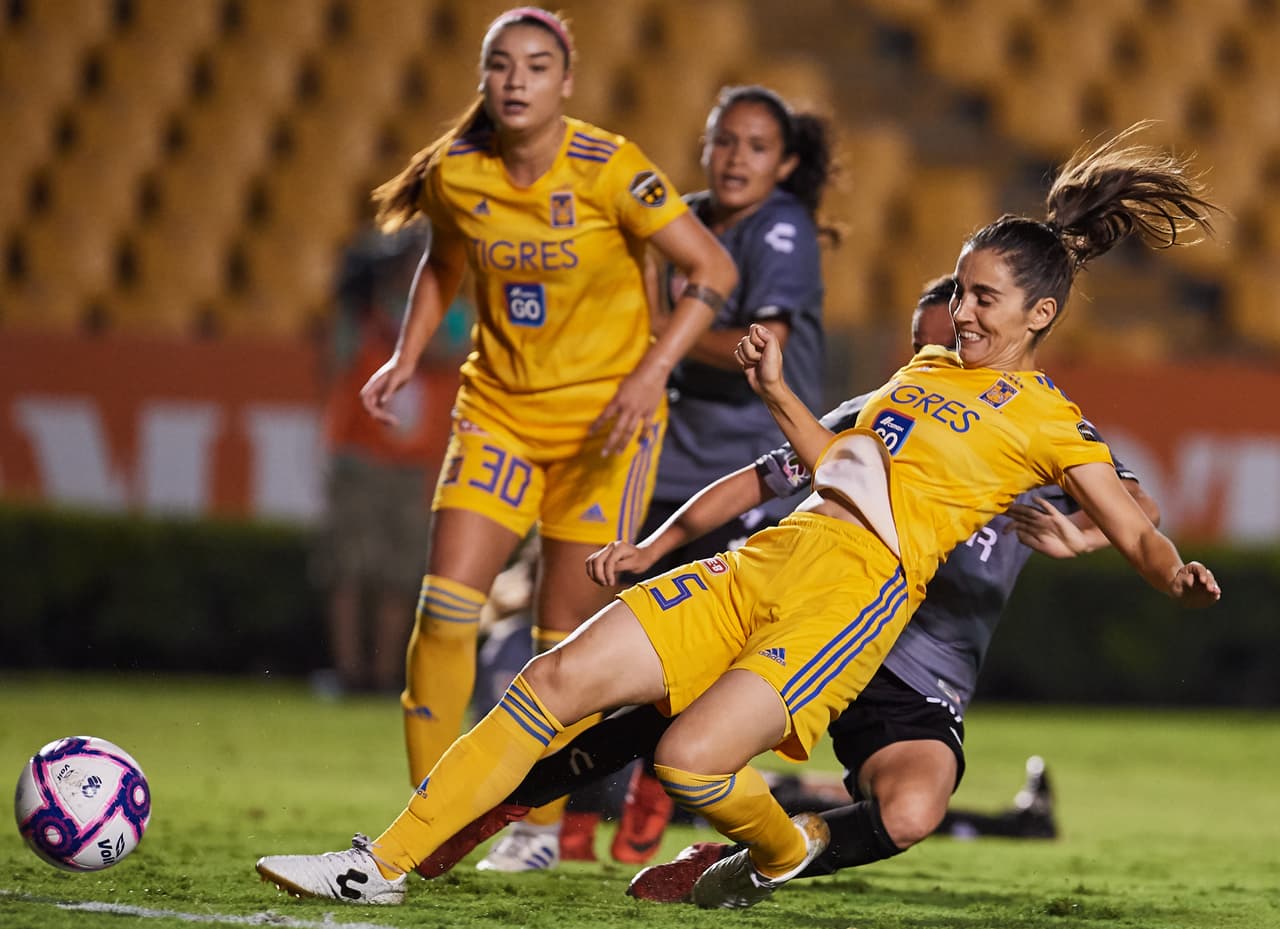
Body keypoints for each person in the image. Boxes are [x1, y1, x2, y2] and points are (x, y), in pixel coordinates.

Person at [255, 124, 1221, 909]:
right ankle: (377, 863)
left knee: (686, 760)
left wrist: (1167, 569)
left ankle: (783, 849)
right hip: (774, 555)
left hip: (851, 599)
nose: (959, 314)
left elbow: (1134, 521)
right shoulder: (922, 373)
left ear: (1039, 315)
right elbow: (834, 465)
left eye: (981, 298)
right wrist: (771, 389)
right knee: (557, 675)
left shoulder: (1051, 421)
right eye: (959, 292)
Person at [406, 276, 1145, 891]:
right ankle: (497, 808)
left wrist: (1078, 532)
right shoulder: (877, 419)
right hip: (821, 615)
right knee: (660, 714)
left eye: (957, 335)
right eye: (933, 340)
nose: (947, 351)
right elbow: (753, 483)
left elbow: (1134, 504)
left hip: (913, 675)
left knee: (914, 809)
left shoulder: (1027, 437)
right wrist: (657, 544)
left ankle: (755, 856)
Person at [359, 5, 737, 856]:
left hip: (607, 427)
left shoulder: (611, 168)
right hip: (497, 411)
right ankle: (434, 819)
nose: (517, 80)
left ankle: (519, 821)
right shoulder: (457, 174)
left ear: (565, 83)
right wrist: (405, 356)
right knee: (448, 611)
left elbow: (712, 267)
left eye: (536, 66)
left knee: (561, 649)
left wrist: (650, 374)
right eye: (501, 66)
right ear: (484, 80)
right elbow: (443, 263)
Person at [516, 82, 833, 870]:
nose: (736, 160)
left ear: (784, 163)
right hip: (661, 462)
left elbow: (762, 348)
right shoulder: (683, 218)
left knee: (687, 661)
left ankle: (643, 812)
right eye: (725, 141)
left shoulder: (782, 226)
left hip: (749, 467)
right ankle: (576, 820)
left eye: (756, 148)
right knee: (612, 646)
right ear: (704, 145)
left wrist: (664, 330)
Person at [311, 226, 436, 695]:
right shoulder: (355, 317)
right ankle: (348, 671)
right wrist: (365, 307)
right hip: (358, 456)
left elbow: (448, 349)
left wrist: (395, 320)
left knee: (399, 573)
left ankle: (383, 675)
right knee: (348, 568)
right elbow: (333, 363)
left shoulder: (445, 314)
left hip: (409, 462)